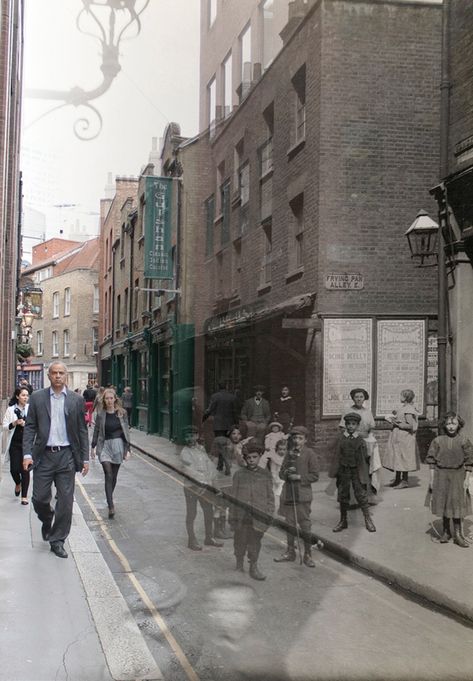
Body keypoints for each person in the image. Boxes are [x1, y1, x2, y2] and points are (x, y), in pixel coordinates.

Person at [22, 362, 89, 559]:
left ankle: (57, 540)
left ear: (66, 376)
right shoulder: (37, 398)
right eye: (54, 373)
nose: (58, 376)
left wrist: (84, 458)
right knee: (39, 499)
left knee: (66, 501)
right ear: (49, 376)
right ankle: (47, 517)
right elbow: (30, 427)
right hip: (44, 456)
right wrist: (27, 454)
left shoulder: (76, 400)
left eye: (61, 373)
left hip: (67, 456)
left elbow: (82, 431)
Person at [425, 412, 473, 547]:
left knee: (457, 504)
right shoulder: (438, 441)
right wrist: (431, 479)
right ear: (444, 425)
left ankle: (458, 534)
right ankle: (446, 532)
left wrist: (467, 479)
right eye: (448, 424)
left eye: (454, 423)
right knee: (444, 502)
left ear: (459, 425)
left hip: (458, 475)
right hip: (441, 475)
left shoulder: (464, 441)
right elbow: (431, 461)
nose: (451, 426)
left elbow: (469, 461)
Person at [274, 426, 319, 567]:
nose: (297, 441)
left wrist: (298, 476)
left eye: (300, 438)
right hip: (289, 493)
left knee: (305, 524)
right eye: (294, 438)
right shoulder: (289, 453)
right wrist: (287, 473)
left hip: (302, 494)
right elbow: (281, 473)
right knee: (290, 523)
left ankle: (307, 554)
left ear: (305, 440)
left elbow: (315, 475)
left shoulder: (310, 454)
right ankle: (290, 551)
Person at [229, 441, 274, 580]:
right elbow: (233, 497)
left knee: (255, 541)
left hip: (258, 515)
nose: (251, 460)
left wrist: (269, 514)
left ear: (260, 456)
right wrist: (232, 516)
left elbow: (270, 497)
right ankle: (239, 563)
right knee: (240, 540)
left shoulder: (265, 475)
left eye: (254, 457)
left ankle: (253, 566)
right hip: (242, 516)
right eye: (248, 457)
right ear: (244, 458)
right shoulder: (239, 475)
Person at [329, 412, 376, 533]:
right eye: (348, 424)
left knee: (361, 494)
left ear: (357, 425)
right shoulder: (341, 438)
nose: (350, 426)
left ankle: (368, 519)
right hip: (344, 470)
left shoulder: (360, 440)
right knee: (343, 494)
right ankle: (343, 521)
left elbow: (365, 456)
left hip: (356, 470)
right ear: (345, 425)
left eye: (353, 424)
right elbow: (334, 452)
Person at [180, 426, 223, 551]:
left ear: (197, 436)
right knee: (191, 513)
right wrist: (204, 479)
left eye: (193, 435)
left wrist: (215, 486)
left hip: (206, 485)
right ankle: (191, 540)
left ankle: (209, 538)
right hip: (192, 486)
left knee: (208, 511)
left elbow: (209, 467)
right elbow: (190, 471)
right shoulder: (185, 452)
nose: (190, 438)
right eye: (187, 436)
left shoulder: (201, 449)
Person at [91, 388, 131, 518]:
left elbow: (126, 433)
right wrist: (93, 447)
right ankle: (111, 505)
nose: (109, 401)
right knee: (108, 474)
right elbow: (96, 431)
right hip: (105, 446)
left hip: (118, 445)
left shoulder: (122, 413)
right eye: (106, 398)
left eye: (111, 398)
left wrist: (127, 450)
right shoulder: (100, 414)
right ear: (104, 400)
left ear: (115, 399)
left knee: (113, 476)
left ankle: (109, 496)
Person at [339, 388, 382, 499]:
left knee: (366, 468)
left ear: (364, 398)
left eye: (361, 397)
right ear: (353, 398)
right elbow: (342, 428)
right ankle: (351, 497)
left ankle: (366, 494)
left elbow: (371, 428)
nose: (359, 399)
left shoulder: (368, 412)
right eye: (356, 397)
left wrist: (369, 437)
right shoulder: (347, 411)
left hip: (366, 443)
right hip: (352, 443)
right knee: (353, 469)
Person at [382, 389, 420, 488]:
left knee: (404, 458)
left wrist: (396, 423)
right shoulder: (404, 408)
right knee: (398, 458)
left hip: (405, 438)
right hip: (399, 438)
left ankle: (404, 481)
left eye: (401, 396)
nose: (400, 397)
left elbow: (410, 425)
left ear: (406, 397)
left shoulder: (408, 409)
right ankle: (398, 479)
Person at [3, 387, 30, 504]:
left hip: (27, 444)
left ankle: (24, 497)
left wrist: (27, 424)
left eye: (27, 395)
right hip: (14, 444)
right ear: (18, 396)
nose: (25, 398)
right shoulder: (10, 410)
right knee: (14, 469)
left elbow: (36, 425)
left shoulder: (30, 409)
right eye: (23, 395)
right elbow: (4, 426)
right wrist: (15, 423)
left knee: (26, 470)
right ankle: (18, 483)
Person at [259, 437, 287, 511]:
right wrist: (276, 479)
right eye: (280, 449)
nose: (282, 451)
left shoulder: (286, 458)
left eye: (284, 449)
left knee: (285, 495)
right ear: (276, 450)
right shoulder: (274, 458)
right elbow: (273, 471)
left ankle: (283, 509)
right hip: (277, 479)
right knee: (277, 495)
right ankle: (276, 508)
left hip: (285, 478)